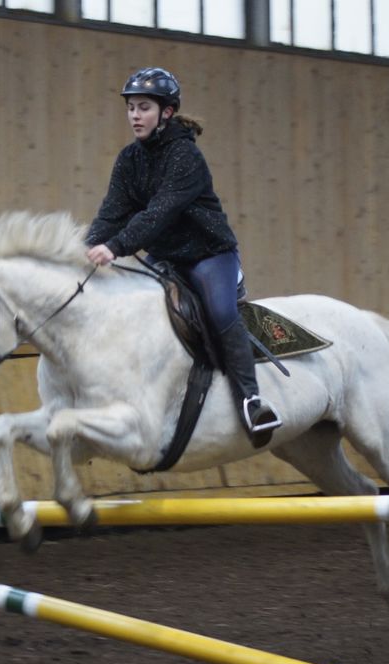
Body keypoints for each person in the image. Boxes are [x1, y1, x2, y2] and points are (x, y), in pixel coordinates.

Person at [85, 67, 281, 445]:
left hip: (209, 255)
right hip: (166, 258)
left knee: (222, 312)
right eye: (131, 108)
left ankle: (251, 401)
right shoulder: (129, 160)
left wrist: (115, 247)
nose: (135, 115)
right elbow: (111, 212)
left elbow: (159, 213)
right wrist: (86, 248)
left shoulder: (185, 156)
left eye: (143, 107)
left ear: (167, 113)